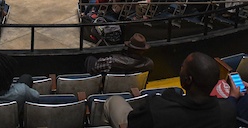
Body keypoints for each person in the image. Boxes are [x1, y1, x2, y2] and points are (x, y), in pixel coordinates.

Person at [103, 52, 237, 128]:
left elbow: (132, 123)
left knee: (113, 101)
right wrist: (232, 96)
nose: (181, 69)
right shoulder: (228, 110)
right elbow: (228, 105)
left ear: (187, 80)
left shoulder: (158, 108)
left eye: (182, 67)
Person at [85, 33, 154, 75]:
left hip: (112, 87)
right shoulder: (149, 63)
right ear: (143, 50)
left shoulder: (112, 61)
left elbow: (95, 68)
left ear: (129, 47)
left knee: (90, 59)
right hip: (133, 87)